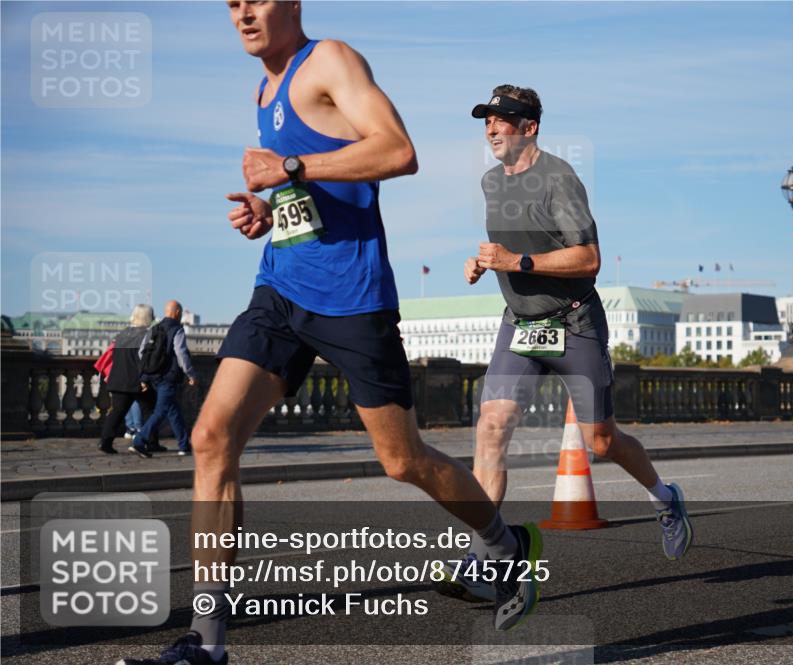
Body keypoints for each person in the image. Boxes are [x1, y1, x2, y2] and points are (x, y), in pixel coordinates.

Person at [117, 5, 539, 664]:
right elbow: (314, 184)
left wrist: (288, 171)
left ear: (292, 3)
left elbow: (398, 151)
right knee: (209, 435)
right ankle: (207, 641)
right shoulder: (264, 87)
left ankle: (503, 543)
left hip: (351, 299)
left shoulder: (331, 61)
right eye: (231, 4)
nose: (243, 14)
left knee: (404, 460)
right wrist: (270, 207)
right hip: (280, 288)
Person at [436, 86, 693, 603]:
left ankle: (666, 500)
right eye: (486, 119)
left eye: (502, 119)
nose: (491, 128)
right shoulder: (490, 182)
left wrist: (519, 263)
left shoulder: (560, 179)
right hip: (521, 325)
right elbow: (512, 248)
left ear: (529, 127)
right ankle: (489, 552)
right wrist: (483, 263)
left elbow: (589, 258)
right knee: (491, 426)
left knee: (601, 441)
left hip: (574, 323)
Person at [128, 300, 198, 458]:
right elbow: (181, 353)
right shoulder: (176, 329)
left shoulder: (154, 328)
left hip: (155, 377)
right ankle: (139, 441)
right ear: (178, 313)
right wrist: (190, 373)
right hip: (169, 377)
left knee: (173, 410)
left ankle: (184, 444)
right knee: (161, 411)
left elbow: (142, 352)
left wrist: (149, 372)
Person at [96, 305, 157, 455]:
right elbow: (145, 360)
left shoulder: (122, 334)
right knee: (153, 411)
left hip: (118, 379)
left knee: (116, 413)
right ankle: (151, 442)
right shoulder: (147, 335)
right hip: (136, 380)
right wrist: (145, 378)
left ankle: (105, 442)